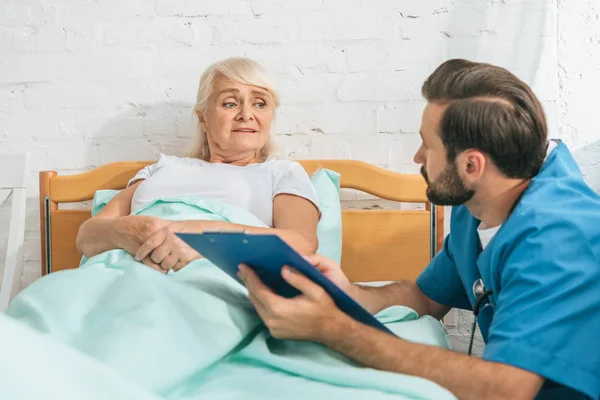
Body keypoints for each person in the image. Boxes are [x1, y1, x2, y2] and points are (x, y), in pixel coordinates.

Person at [239, 59, 600, 400]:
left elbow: (505, 389)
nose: (417, 157)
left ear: (471, 164)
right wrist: (347, 293)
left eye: (428, 145)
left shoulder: (560, 239)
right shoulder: (476, 204)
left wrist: (335, 330)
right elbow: (426, 297)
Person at [76, 57, 320, 273]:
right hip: (120, 271)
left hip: (213, 275)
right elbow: (87, 235)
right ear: (202, 117)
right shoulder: (162, 168)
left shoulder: (281, 173)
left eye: (259, 104)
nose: (247, 114)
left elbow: (301, 243)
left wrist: (203, 237)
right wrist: (126, 231)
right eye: (230, 103)